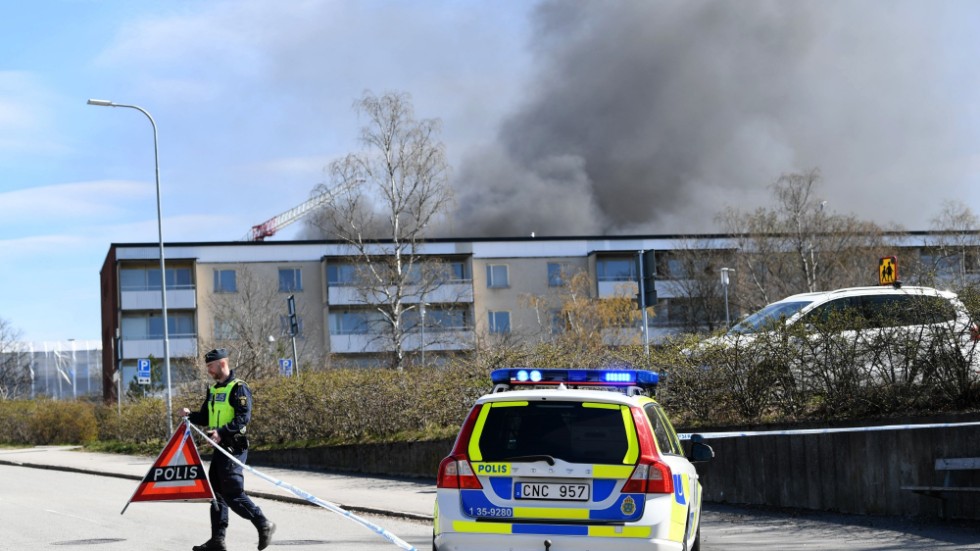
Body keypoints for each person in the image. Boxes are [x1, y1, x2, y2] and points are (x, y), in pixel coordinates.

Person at [179, 348, 275, 551]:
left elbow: (243, 419)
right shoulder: (213, 390)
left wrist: (222, 432)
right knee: (216, 495)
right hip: (219, 448)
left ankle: (263, 523)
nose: (209, 371)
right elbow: (205, 417)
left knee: (232, 492)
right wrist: (190, 415)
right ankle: (217, 540)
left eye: (210, 366)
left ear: (222, 364)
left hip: (233, 447)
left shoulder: (238, 388)